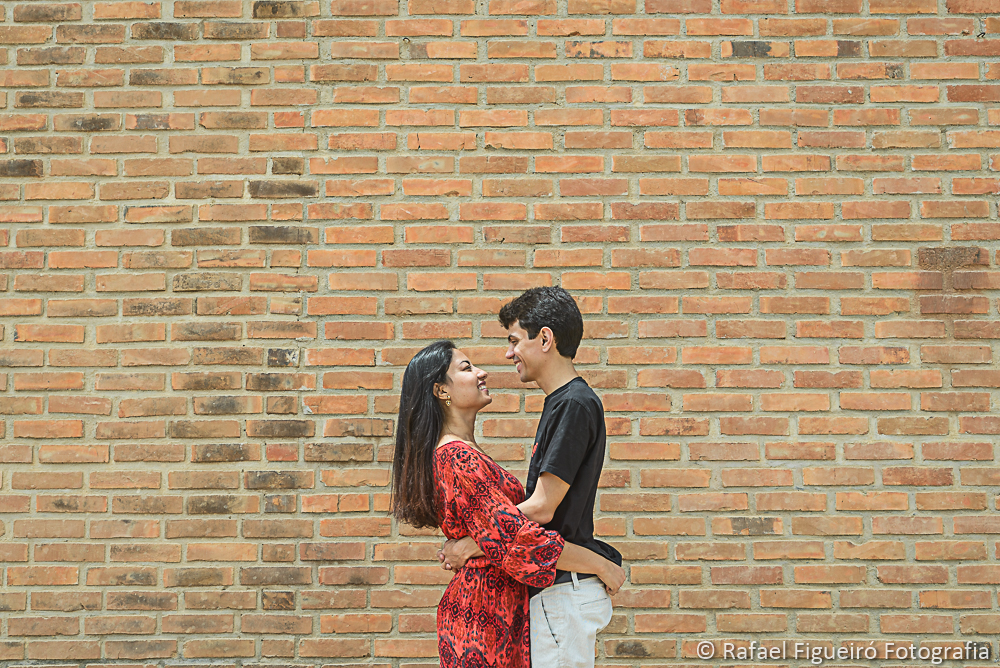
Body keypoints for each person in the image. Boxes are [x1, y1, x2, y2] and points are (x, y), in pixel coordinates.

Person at [390, 340, 626, 668]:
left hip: (493, 613)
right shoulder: (458, 457)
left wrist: (473, 545)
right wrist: (600, 565)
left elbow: (499, 532)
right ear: (441, 391)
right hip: (482, 620)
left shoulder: (462, 454)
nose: (481, 372)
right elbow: (519, 540)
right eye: (466, 368)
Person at [439, 287, 623, 668]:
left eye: (514, 340)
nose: (508, 354)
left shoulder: (573, 403)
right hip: (552, 584)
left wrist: (474, 543)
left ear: (545, 339)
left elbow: (542, 507)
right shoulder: (560, 402)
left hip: (561, 586)